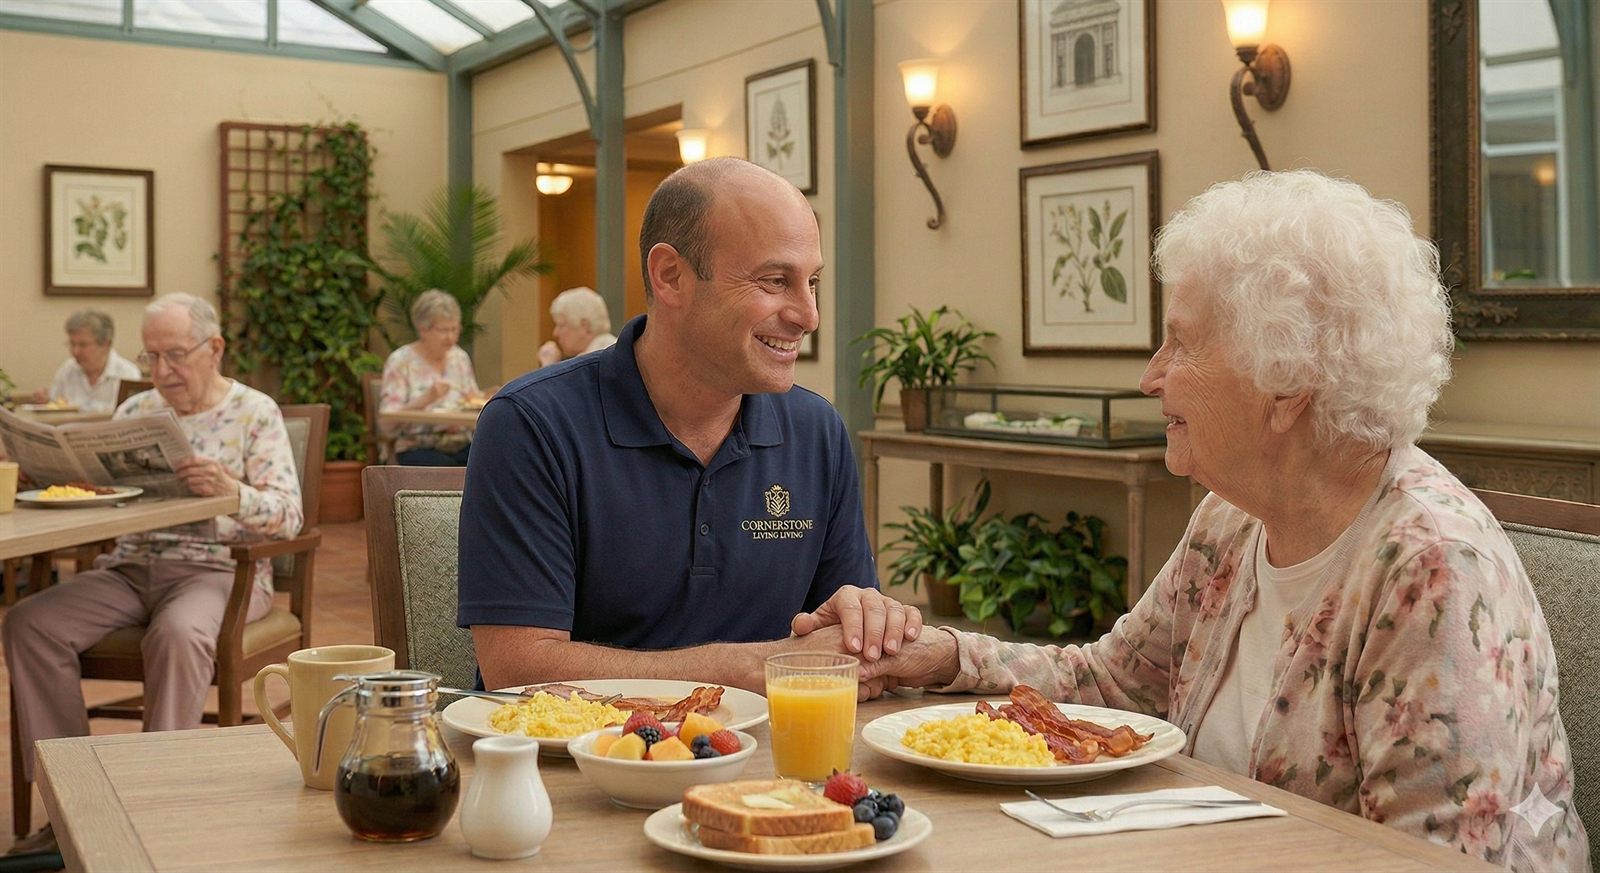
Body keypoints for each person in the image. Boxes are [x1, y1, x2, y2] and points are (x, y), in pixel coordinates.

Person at [798, 171, 1588, 870]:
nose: (1151, 376)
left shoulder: (1433, 569)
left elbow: (1431, 861)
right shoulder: (1232, 522)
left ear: (1283, 381)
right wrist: (939, 655)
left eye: (1180, 342)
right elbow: (1112, 687)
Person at [458, 157, 919, 695]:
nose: (808, 315)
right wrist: (756, 667)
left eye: (811, 282)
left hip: (777, 769)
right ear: (671, 275)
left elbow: (848, 643)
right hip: (580, 767)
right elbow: (516, 670)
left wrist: (870, 621)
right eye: (775, 280)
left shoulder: (817, 431)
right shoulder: (532, 425)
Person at [3, 293, 302, 854]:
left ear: (213, 349)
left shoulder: (254, 412)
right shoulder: (136, 413)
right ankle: (72, 802)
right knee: (29, 622)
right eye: (151, 359)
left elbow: (290, 514)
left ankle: (154, 805)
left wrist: (230, 492)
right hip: (130, 567)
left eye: (175, 356)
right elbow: (111, 504)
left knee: (179, 634)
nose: (161, 373)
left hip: (218, 571)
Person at [381, 289, 481, 466]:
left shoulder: (460, 358)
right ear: (423, 330)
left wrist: (485, 398)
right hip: (418, 445)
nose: (450, 337)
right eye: (443, 330)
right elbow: (387, 423)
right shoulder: (401, 361)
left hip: (461, 443)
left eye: (454, 329)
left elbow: (472, 402)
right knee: (445, 471)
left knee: (494, 465)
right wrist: (426, 399)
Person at [32, 309, 142, 412]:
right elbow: (54, 407)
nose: (75, 351)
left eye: (83, 345)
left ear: (105, 345)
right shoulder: (67, 370)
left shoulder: (128, 374)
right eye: (72, 344)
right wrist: (46, 402)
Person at [537, 286, 617, 368]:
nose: (555, 333)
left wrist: (549, 366)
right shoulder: (614, 349)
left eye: (561, 325)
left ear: (585, 327)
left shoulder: (594, 361)